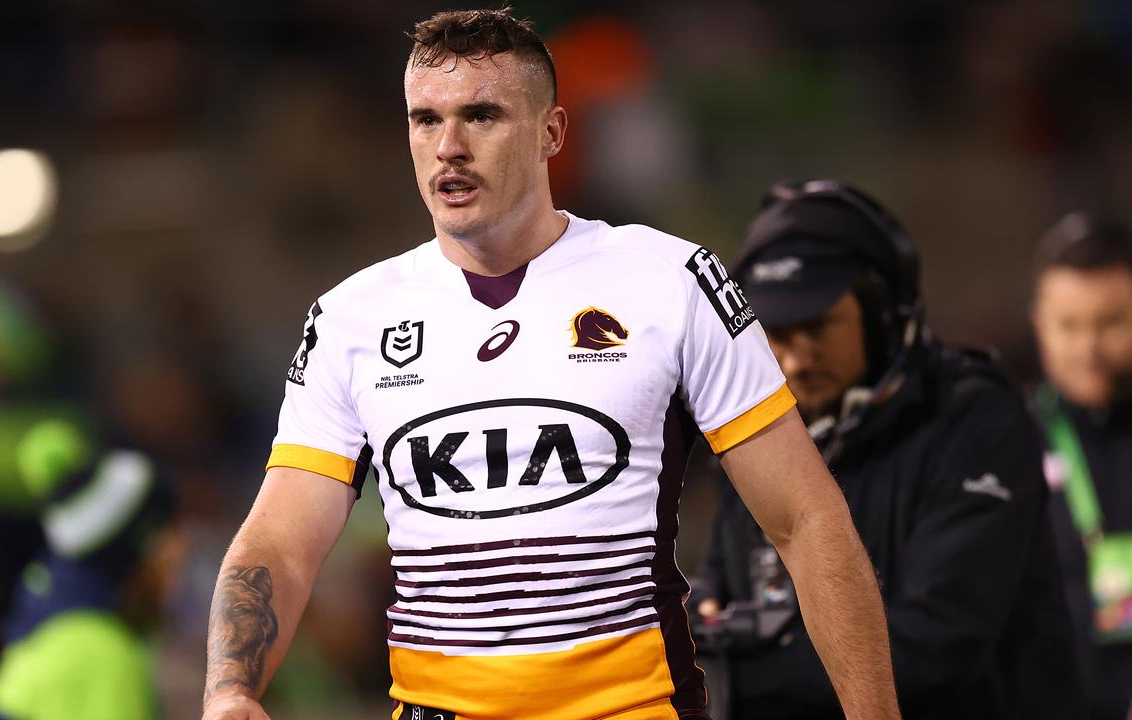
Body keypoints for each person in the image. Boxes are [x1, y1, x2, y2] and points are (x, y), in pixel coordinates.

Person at [202, 11, 900, 720]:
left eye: (482, 115)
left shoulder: (672, 281)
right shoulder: (351, 317)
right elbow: (281, 545)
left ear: (552, 133)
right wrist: (229, 690)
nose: (449, 147)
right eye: (425, 119)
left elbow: (807, 521)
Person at [693, 179, 1083, 720]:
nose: (797, 359)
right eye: (776, 335)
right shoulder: (761, 428)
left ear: (882, 313)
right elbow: (724, 579)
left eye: (817, 326)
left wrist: (732, 672)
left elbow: (934, 646)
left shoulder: (977, 417)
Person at [0, 420, 183, 720]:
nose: (180, 557)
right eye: (169, 539)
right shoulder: (100, 653)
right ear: (136, 553)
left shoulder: (63, 625)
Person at [1032, 212, 1132, 720]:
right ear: (1038, 324)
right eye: (1069, 326)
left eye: (1110, 322)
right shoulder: (1009, 443)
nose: (1089, 348)